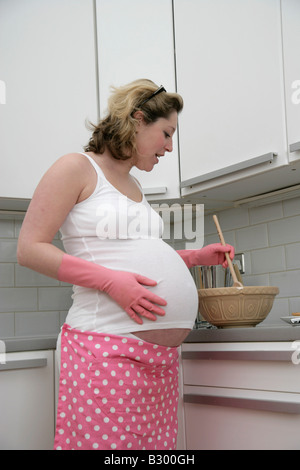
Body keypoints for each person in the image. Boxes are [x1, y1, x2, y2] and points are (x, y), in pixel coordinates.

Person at [17, 79, 234, 450]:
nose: (169, 146)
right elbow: (29, 249)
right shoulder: (76, 167)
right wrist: (110, 283)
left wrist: (193, 258)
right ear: (136, 120)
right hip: (106, 349)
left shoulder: (134, 185)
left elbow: (133, 256)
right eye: (166, 133)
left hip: (159, 361)